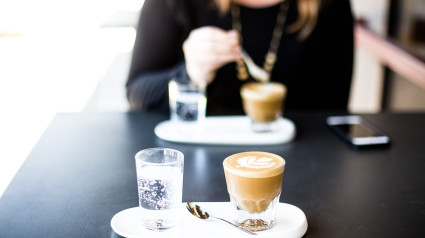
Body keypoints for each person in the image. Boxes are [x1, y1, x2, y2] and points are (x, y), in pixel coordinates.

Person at [126, 0, 354, 115]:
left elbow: (332, 110)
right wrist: (192, 74)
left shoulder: (328, 5)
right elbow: (138, 93)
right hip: (193, 158)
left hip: (298, 167)